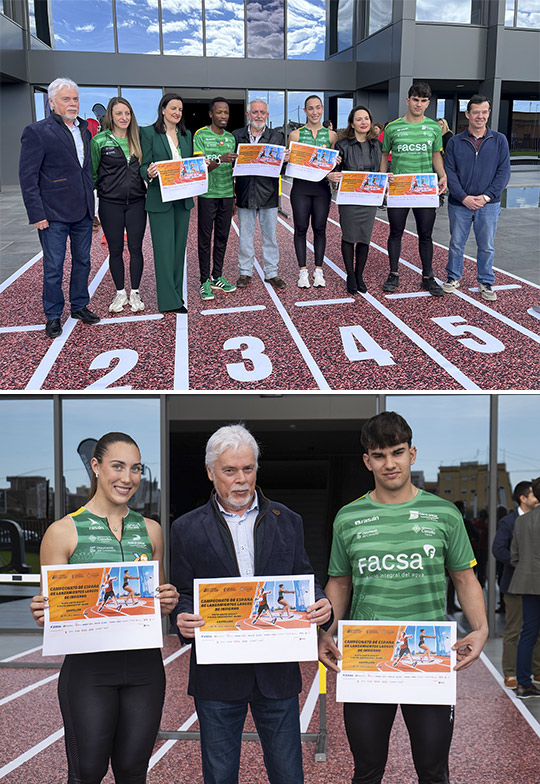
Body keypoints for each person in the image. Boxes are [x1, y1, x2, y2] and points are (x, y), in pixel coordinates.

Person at [319, 411, 488, 784]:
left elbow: (464, 578)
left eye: (397, 452)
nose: (389, 463)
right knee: (366, 770)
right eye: (379, 455)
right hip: (366, 653)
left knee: (431, 769)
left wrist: (481, 629)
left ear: (412, 453)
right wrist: (325, 631)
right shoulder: (348, 517)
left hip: (426, 652)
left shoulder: (444, 513)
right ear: (367, 460)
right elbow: (340, 583)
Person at [170, 423, 332, 784]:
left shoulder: (289, 520)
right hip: (217, 677)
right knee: (220, 776)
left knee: (289, 775)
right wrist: (180, 616)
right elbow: (181, 592)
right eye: (230, 471)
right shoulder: (185, 528)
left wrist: (322, 605)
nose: (241, 479)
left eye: (248, 468)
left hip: (276, 674)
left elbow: (305, 578)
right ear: (211, 472)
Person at [30, 432, 179, 784]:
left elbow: (153, 606)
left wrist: (166, 601)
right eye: (118, 466)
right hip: (89, 673)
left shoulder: (152, 530)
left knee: (132, 772)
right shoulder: (62, 532)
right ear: (96, 467)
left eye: (136, 469)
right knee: (88, 772)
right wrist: (43, 613)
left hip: (144, 670)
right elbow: (51, 613)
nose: (127, 478)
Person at [19, 77, 100, 339]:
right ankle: (53, 315)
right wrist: (37, 214)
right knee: (54, 267)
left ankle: (79, 306)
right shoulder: (37, 131)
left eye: (75, 99)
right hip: (52, 214)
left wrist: (93, 207)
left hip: (83, 212)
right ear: (52, 103)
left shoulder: (85, 131)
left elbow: (84, 172)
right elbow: (28, 177)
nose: (72, 103)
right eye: (66, 99)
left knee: (83, 262)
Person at [380, 82, 447, 296]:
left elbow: (437, 155)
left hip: (424, 189)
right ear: (408, 100)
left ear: (428, 103)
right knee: (395, 232)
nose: (419, 104)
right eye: (415, 99)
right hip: (399, 188)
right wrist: (382, 181)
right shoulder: (392, 127)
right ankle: (393, 273)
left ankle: (428, 276)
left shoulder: (434, 128)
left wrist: (443, 175)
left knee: (425, 234)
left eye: (423, 100)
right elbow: (384, 155)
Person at [442, 95, 511, 301]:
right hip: (459, 204)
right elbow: (450, 172)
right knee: (456, 243)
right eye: (476, 112)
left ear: (488, 113)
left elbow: (504, 172)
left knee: (487, 245)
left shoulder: (499, 140)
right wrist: (464, 198)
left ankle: (486, 280)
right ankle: (453, 277)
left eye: (484, 112)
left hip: (488, 204)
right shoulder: (455, 141)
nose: (480, 116)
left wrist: (487, 197)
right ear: (467, 114)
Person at [91, 97, 147, 314]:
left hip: (136, 203)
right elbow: (93, 174)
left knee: (135, 249)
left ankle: (135, 292)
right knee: (115, 250)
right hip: (110, 204)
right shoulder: (99, 141)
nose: (124, 117)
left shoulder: (139, 139)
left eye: (127, 113)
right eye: (119, 113)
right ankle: (119, 292)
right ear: (110, 116)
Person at [140, 93, 194, 313]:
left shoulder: (186, 134)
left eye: (180, 109)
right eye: (173, 108)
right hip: (159, 199)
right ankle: (168, 301)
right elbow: (143, 166)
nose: (177, 113)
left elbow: (189, 165)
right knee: (164, 251)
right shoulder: (148, 133)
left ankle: (177, 295)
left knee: (178, 250)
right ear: (162, 109)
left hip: (182, 199)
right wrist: (149, 173)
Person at [233, 99, 287, 290]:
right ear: (248, 115)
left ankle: (272, 272)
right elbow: (233, 167)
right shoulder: (237, 136)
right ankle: (245, 272)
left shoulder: (277, 137)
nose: (258, 116)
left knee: (270, 237)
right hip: (245, 193)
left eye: (262, 112)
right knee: (245, 236)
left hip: (269, 194)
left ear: (267, 115)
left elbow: (282, 169)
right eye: (255, 112)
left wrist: (285, 160)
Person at [329, 105, 382, 294]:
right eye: (359, 119)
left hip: (369, 199)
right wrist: (333, 172)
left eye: (366, 118)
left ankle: (360, 275)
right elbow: (334, 171)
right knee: (349, 237)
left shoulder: (377, 145)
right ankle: (350, 275)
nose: (363, 122)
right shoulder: (343, 145)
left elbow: (379, 171)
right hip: (349, 199)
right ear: (352, 123)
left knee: (364, 238)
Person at [492, 480, 540, 690]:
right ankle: (511, 673)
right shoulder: (510, 521)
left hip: (526, 581)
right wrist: (522, 565)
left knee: (532, 631)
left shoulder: (524, 521)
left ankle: (534, 672)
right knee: (516, 629)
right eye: (532, 495)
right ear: (524, 498)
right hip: (516, 583)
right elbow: (498, 549)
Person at [288, 95, 338, 289]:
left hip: (321, 189)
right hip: (301, 188)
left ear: (323, 109)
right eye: (310, 108)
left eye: (318, 108)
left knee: (320, 228)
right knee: (300, 229)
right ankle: (302, 272)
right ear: (305, 111)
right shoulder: (295, 135)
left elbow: (333, 165)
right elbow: (290, 163)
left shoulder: (332, 136)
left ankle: (318, 270)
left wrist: (336, 165)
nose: (315, 112)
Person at [193, 97, 238, 301]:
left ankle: (217, 276)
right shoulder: (200, 135)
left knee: (222, 238)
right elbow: (201, 167)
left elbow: (235, 170)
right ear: (211, 114)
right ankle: (204, 280)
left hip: (227, 195)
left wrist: (235, 195)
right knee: (205, 239)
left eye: (226, 112)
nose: (223, 116)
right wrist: (220, 159)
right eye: (219, 112)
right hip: (207, 195)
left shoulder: (230, 137)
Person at [510, 476, 540, 699]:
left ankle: (522, 683)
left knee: (527, 633)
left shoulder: (522, 521)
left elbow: (514, 557)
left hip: (528, 583)